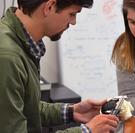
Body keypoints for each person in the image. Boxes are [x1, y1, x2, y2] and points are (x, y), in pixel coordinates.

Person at [0, 0, 119, 133]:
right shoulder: (8, 57)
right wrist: (87, 131)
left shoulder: (20, 43)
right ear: (50, 7)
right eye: (72, 14)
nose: (73, 22)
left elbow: (25, 109)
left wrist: (71, 111)